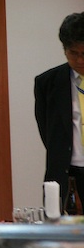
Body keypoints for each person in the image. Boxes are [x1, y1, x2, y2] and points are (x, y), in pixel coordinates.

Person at [35, 12, 84, 205]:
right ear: (64, 50)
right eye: (74, 53)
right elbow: (46, 130)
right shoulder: (47, 83)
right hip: (65, 174)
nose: (80, 60)